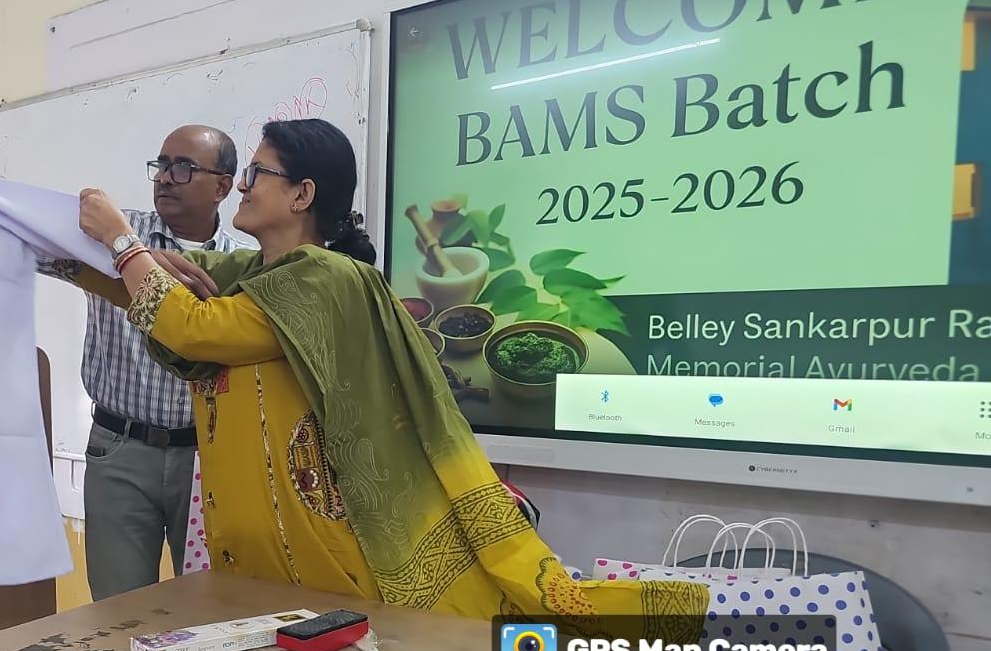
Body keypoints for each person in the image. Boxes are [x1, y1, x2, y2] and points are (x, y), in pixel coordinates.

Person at [75, 118, 705, 624]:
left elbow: (194, 327)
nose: (244, 186)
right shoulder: (253, 275)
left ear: (302, 194)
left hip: (314, 544)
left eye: (258, 173)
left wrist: (123, 242)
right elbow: (155, 293)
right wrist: (48, 240)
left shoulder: (326, 278)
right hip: (258, 540)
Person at [42, 125, 254, 601]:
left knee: (211, 605)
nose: (165, 177)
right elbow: (41, 243)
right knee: (117, 610)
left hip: (208, 457)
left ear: (222, 186)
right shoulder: (113, 234)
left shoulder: (244, 264)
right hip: (120, 450)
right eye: (161, 165)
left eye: (184, 167)